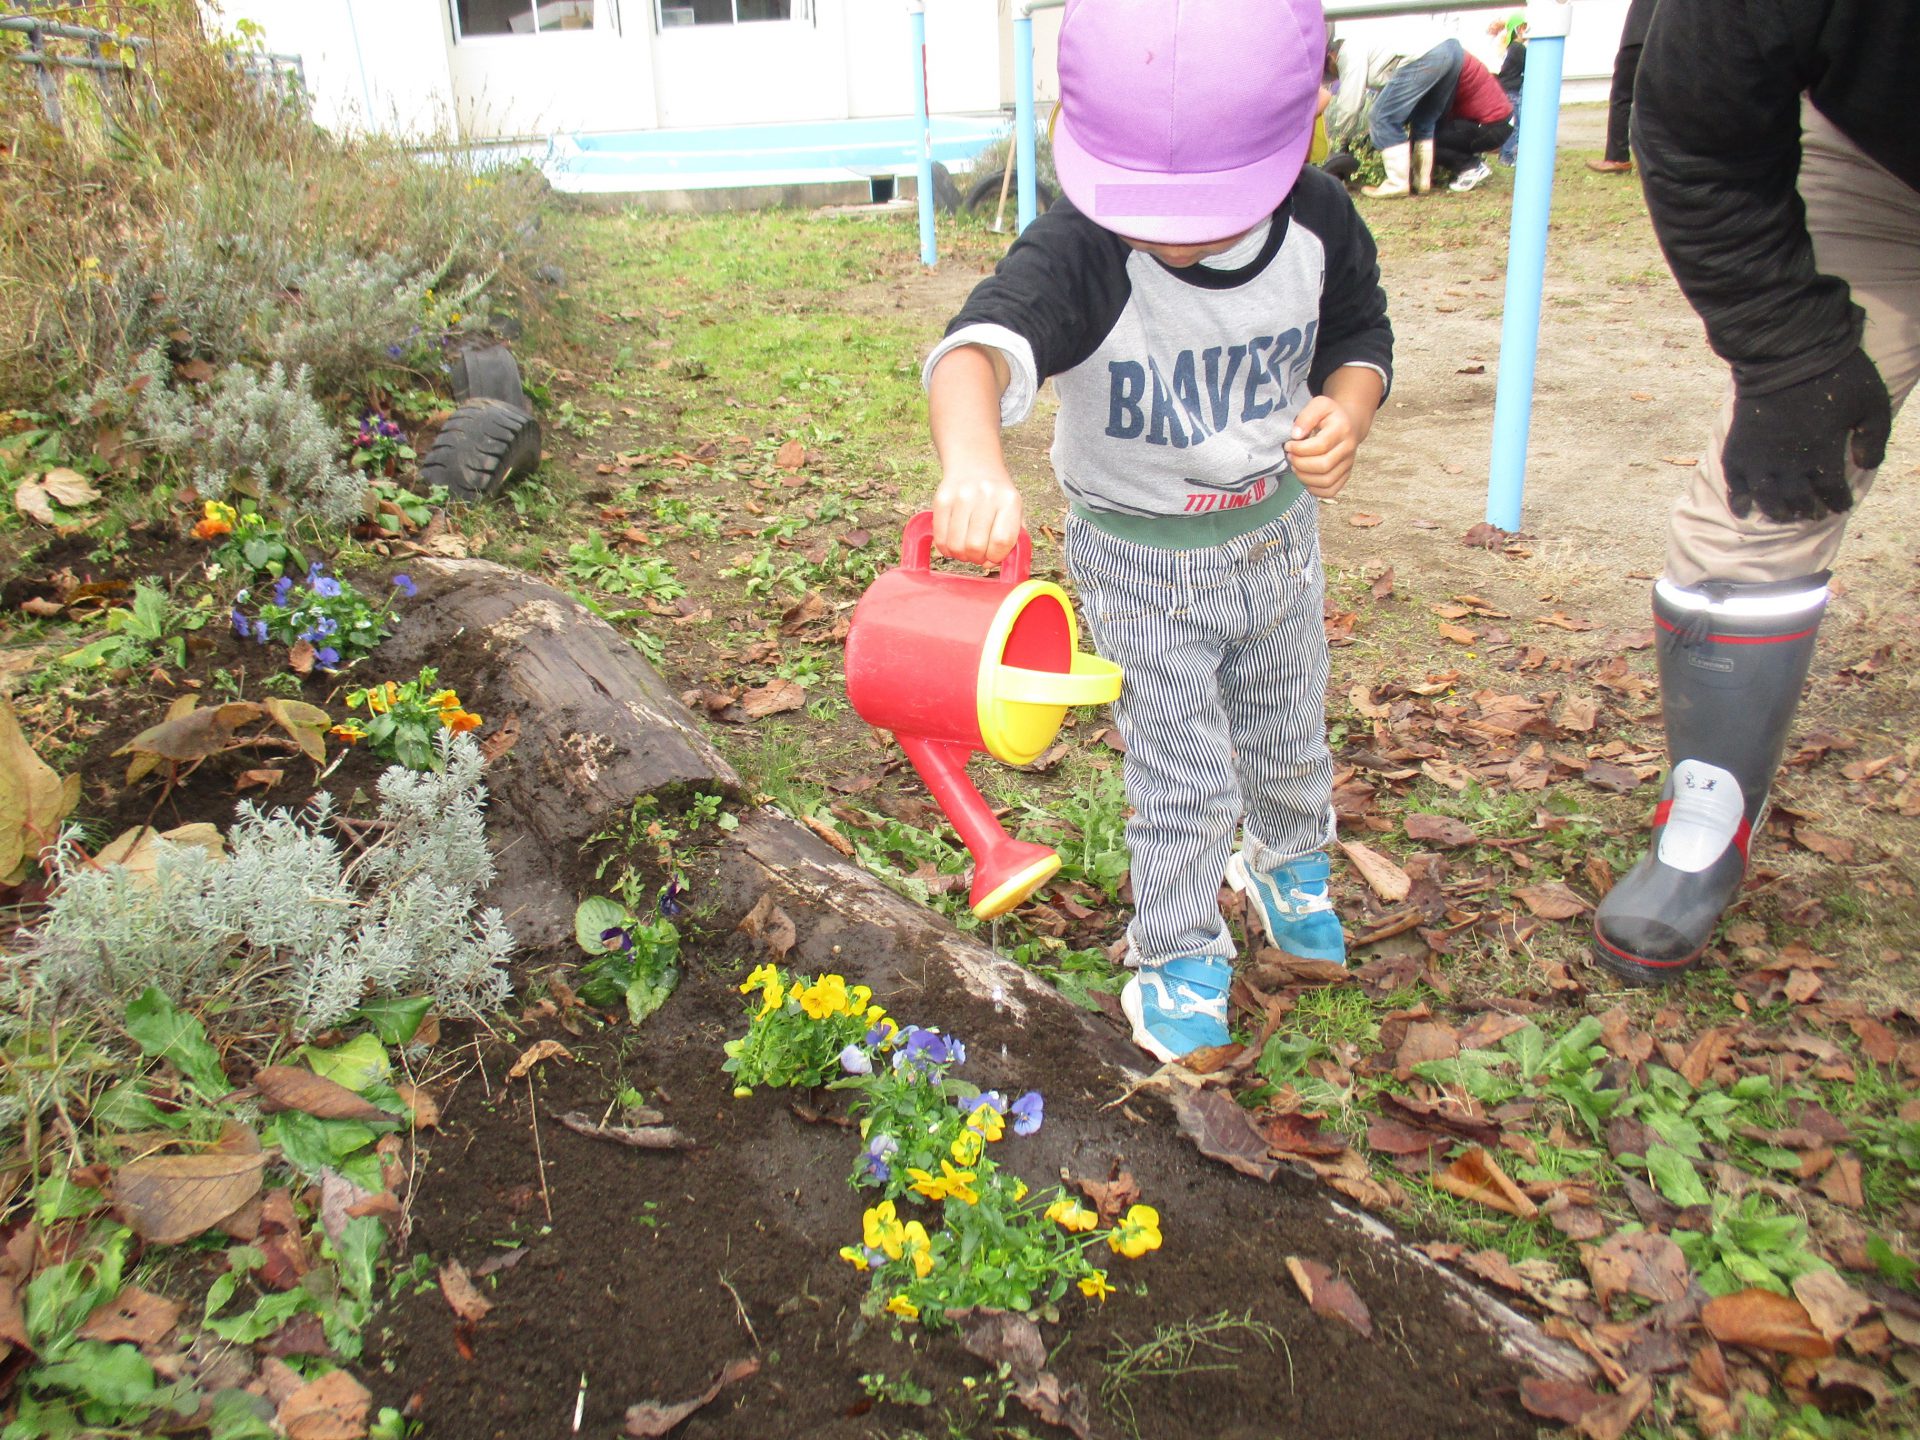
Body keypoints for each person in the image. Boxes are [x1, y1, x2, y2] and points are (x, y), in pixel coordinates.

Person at [922, 0, 1392, 1060]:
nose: (1176, 236)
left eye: (1212, 211)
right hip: (1143, 565)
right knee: (1182, 772)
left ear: (1298, 137)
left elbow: (1361, 332)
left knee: (1288, 728)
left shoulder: (1319, 219)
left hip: (1278, 540)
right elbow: (972, 354)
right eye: (1151, 210)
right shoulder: (1086, 249)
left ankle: (1287, 863)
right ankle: (1178, 950)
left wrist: (1348, 409)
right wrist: (973, 460)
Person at [1591, 0, 1917, 984]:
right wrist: (1790, 353)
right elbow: (1697, 127)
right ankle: (1707, 817)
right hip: (1886, 164)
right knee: (1766, 495)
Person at [1361, 37, 1465, 198]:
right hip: (1453, 47)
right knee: (1425, 116)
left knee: (1381, 117)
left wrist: (1344, 133)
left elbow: (1350, 103)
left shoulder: (1348, 51)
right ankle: (1422, 181)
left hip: (1429, 51)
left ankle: (1397, 184)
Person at [1587, 0, 1656, 175]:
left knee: (1622, 97)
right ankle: (1662, 160)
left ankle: (1617, 157)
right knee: (1661, 100)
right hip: (1667, 38)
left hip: (1638, 36)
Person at [1433, 50, 1514, 192]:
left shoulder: (1448, 63)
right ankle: (1470, 161)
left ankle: (1471, 166)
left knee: (1428, 141)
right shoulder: (1455, 56)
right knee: (1437, 135)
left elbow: (1439, 110)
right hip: (1497, 122)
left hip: (1492, 125)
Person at [1490, 13, 1526, 166]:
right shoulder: (1519, 48)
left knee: (1510, 124)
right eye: (1524, 27)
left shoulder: (1510, 47)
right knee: (1515, 125)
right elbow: (1530, 67)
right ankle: (1507, 157)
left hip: (1504, 89)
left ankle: (1506, 155)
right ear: (1518, 29)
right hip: (1512, 91)